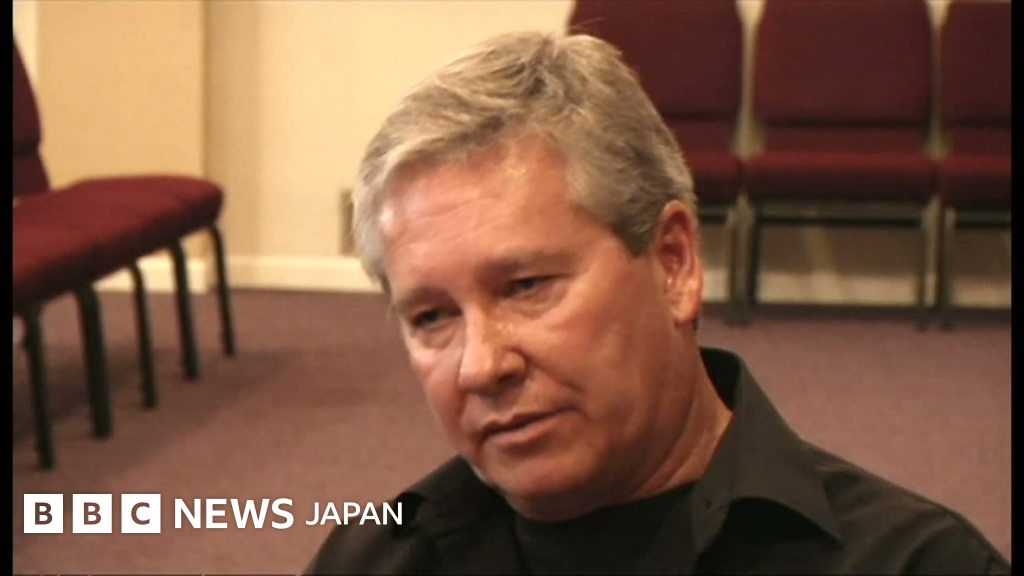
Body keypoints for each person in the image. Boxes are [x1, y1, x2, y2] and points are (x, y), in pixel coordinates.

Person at [308, 31, 1009, 575]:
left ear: (674, 264)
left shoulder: (912, 564)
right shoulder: (373, 560)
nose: (481, 367)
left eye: (527, 287)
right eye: (433, 317)